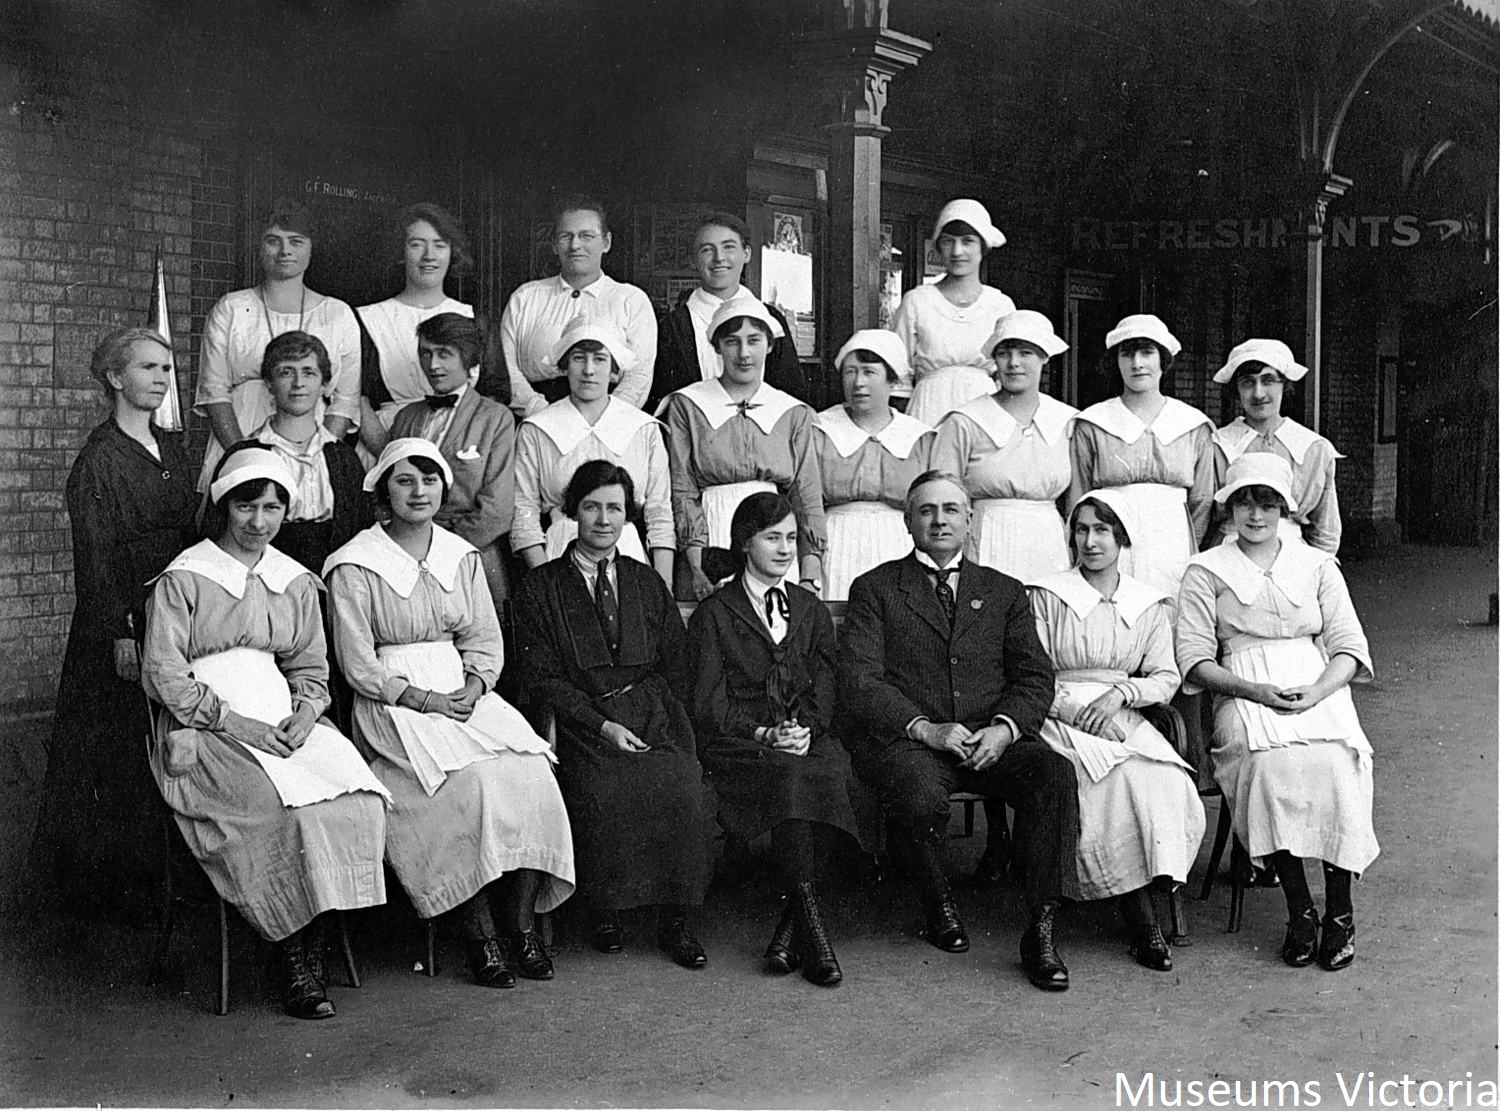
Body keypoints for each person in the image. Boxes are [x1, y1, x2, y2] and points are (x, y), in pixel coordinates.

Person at [141, 445, 390, 1019]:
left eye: (273, 509)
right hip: (206, 725)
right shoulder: (186, 578)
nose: (259, 522)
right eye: (247, 507)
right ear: (224, 507)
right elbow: (164, 674)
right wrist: (235, 722)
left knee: (358, 798)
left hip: (281, 718)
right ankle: (290, 956)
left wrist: (305, 714)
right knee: (276, 812)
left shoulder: (294, 581)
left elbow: (309, 665)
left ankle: (313, 937)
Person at [324, 439, 575, 989]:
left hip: (464, 694)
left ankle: (523, 925)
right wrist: (421, 699)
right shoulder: (354, 565)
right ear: (383, 491)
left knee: (533, 772)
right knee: (468, 788)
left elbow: (484, 638)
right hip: (395, 708)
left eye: (430, 480)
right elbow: (358, 663)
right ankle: (479, 935)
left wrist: (476, 683)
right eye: (405, 481)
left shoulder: (461, 556)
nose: (419, 492)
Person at [838, 471, 1076, 992]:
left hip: (989, 738)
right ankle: (936, 900)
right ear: (907, 522)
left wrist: (1005, 728)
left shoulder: (1004, 591)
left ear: (970, 520)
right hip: (914, 740)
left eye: (951, 510)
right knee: (918, 795)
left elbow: (1034, 675)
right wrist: (925, 729)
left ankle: (1040, 928)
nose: (939, 520)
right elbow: (859, 680)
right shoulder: (876, 588)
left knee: (1053, 775)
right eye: (926, 510)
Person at [1176, 454, 1377, 972]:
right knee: (1266, 768)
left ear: (1285, 507)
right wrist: (1254, 692)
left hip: (1315, 683)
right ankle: (1299, 909)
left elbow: (1350, 647)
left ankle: (1340, 913)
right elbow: (1195, 660)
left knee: (1339, 765)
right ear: (1230, 507)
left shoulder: (1315, 565)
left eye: (1267, 502)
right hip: (1242, 689)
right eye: (1244, 501)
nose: (1256, 514)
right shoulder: (1206, 570)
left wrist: (1317, 692)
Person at [513, 460, 712, 968]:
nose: (604, 520)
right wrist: (602, 724)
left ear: (629, 518)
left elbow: (675, 663)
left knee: (683, 783)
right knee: (606, 789)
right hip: (581, 716)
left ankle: (678, 919)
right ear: (571, 512)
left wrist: (660, 716)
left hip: (648, 708)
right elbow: (541, 677)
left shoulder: (646, 583)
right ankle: (608, 909)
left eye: (615, 509)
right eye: (592, 507)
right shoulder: (541, 588)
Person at [30, 327, 198, 919]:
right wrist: (120, 632)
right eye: (148, 368)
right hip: (119, 616)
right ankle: (105, 888)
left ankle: (169, 872)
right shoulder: (98, 461)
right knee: (114, 748)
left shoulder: (174, 450)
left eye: (166, 369)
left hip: (173, 610)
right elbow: (94, 556)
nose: (161, 378)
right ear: (115, 377)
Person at [686, 493, 865, 986]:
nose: (785, 549)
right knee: (792, 778)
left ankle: (792, 933)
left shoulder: (808, 610)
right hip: (739, 742)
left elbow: (826, 683)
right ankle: (813, 932)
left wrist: (804, 728)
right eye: (772, 538)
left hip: (804, 736)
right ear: (745, 543)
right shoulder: (716, 614)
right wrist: (764, 732)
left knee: (830, 769)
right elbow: (708, 703)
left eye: (791, 538)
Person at [1027, 490, 1205, 972]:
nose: (1090, 541)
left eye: (1101, 530)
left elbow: (1166, 676)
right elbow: (1032, 672)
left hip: (1121, 712)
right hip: (1058, 716)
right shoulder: (1047, 596)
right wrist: (1069, 708)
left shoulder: (1147, 604)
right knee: (1108, 778)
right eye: (1081, 530)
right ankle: (1139, 917)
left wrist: (1124, 695)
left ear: (1121, 539)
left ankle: (1148, 892)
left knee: (1163, 777)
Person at [660, 297, 825, 601]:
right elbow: (683, 490)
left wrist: (809, 575)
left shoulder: (792, 412)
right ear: (717, 347)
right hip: (712, 535)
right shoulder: (688, 405)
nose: (744, 353)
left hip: (776, 534)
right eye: (732, 342)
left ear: (770, 345)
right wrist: (698, 567)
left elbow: (807, 495)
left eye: (754, 340)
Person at [193, 201, 360, 490]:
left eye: (296, 241)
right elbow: (214, 391)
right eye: (273, 241)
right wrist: (243, 455)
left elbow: (346, 399)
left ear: (311, 249)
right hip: (240, 437)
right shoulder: (232, 308)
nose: (285, 251)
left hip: (314, 445)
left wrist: (321, 454)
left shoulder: (338, 313)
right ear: (259, 247)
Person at [513, 318, 674, 585]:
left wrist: (662, 583)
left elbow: (659, 511)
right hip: (559, 559)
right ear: (564, 365)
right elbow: (524, 514)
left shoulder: (642, 428)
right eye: (578, 358)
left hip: (627, 554)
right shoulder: (537, 429)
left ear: (614, 370)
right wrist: (544, 584)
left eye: (599, 359)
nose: (588, 370)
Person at [1068, 314, 1214, 599]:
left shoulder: (1192, 425)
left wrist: (1185, 544)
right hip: (1111, 539)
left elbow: (1202, 501)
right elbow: (1078, 497)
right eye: (1127, 354)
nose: (1137, 363)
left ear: (1163, 360)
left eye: (1147, 353)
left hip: (1172, 544)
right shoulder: (1094, 423)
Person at [933, 309, 1078, 582]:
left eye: (1025, 353)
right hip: (986, 541)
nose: (1013, 363)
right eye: (1004, 353)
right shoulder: (965, 422)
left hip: (1048, 546)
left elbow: (1076, 504)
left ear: (1045, 357)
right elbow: (942, 496)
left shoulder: (1066, 422)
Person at [389, 313, 515, 608]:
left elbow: (497, 510)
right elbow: (385, 489)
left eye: (444, 354)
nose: (433, 365)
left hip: (473, 550)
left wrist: (440, 548)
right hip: (405, 549)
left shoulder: (495, 419)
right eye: (426, 353)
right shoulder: (407, 417)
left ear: (468, 359)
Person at [501, 195, 656, 417]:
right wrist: (542, 415)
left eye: (587, 236)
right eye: (566, 236)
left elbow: (639, 376)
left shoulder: (631, 299)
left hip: (610, 422)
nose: (575, 245)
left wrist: (604, 421)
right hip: (536, 418)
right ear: (554, 244)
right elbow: (509, 369)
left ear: (606, 242)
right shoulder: (525, 297)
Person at [813, 328, 935, 602]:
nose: (858, 383)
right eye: (850, 372)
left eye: (869, 372)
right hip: (836, 543)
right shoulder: (819, 429)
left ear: (892, 379)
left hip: (899, 544)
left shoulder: (920, 438)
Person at [649, 211, 808, 409]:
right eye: (707, 250)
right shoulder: (675, 326)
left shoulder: (771, 319)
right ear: (694, 260)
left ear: (747, 253)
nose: (719, 258)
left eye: (729, 247)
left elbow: (791, 396)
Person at [356, 203, 478, 458]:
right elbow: (356, 397)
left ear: (451, 252)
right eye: (417, 244)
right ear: (401, 251)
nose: (429, 256)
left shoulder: (475, 318)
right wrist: (392, 455)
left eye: (440, 245)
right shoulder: (367, 319)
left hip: (462, 444)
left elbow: (494, 395)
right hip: (386, 442)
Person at [250, 330, 371, 573]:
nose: (298, 384)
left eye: (309, 372)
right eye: (286, 372)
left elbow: (361, 530)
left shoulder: (343, 458)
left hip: (333, 577)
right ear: (269, 384)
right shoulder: (249, 454)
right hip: (266, 576)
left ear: (324, 384)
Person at [889, 198, 1017, 424]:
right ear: (938, 247)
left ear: (983, 247)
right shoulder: (917, 301)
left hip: (985, 414)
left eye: (968, 241)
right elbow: (898, 378)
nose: (957, 251)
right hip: (928, 412)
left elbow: (1010, 374)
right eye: (948, 242)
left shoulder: (1000, 305)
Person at [1210, 338, 1343, 553]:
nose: (1258, 393)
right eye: (1247, 382)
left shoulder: (1313, 448)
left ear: (1285, 384)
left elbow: (1326, 529)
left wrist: (1318, 571)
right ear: (1237, 389)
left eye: (1268, 380)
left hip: (1292, 555)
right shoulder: (1218, 444)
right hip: (1230, 552)